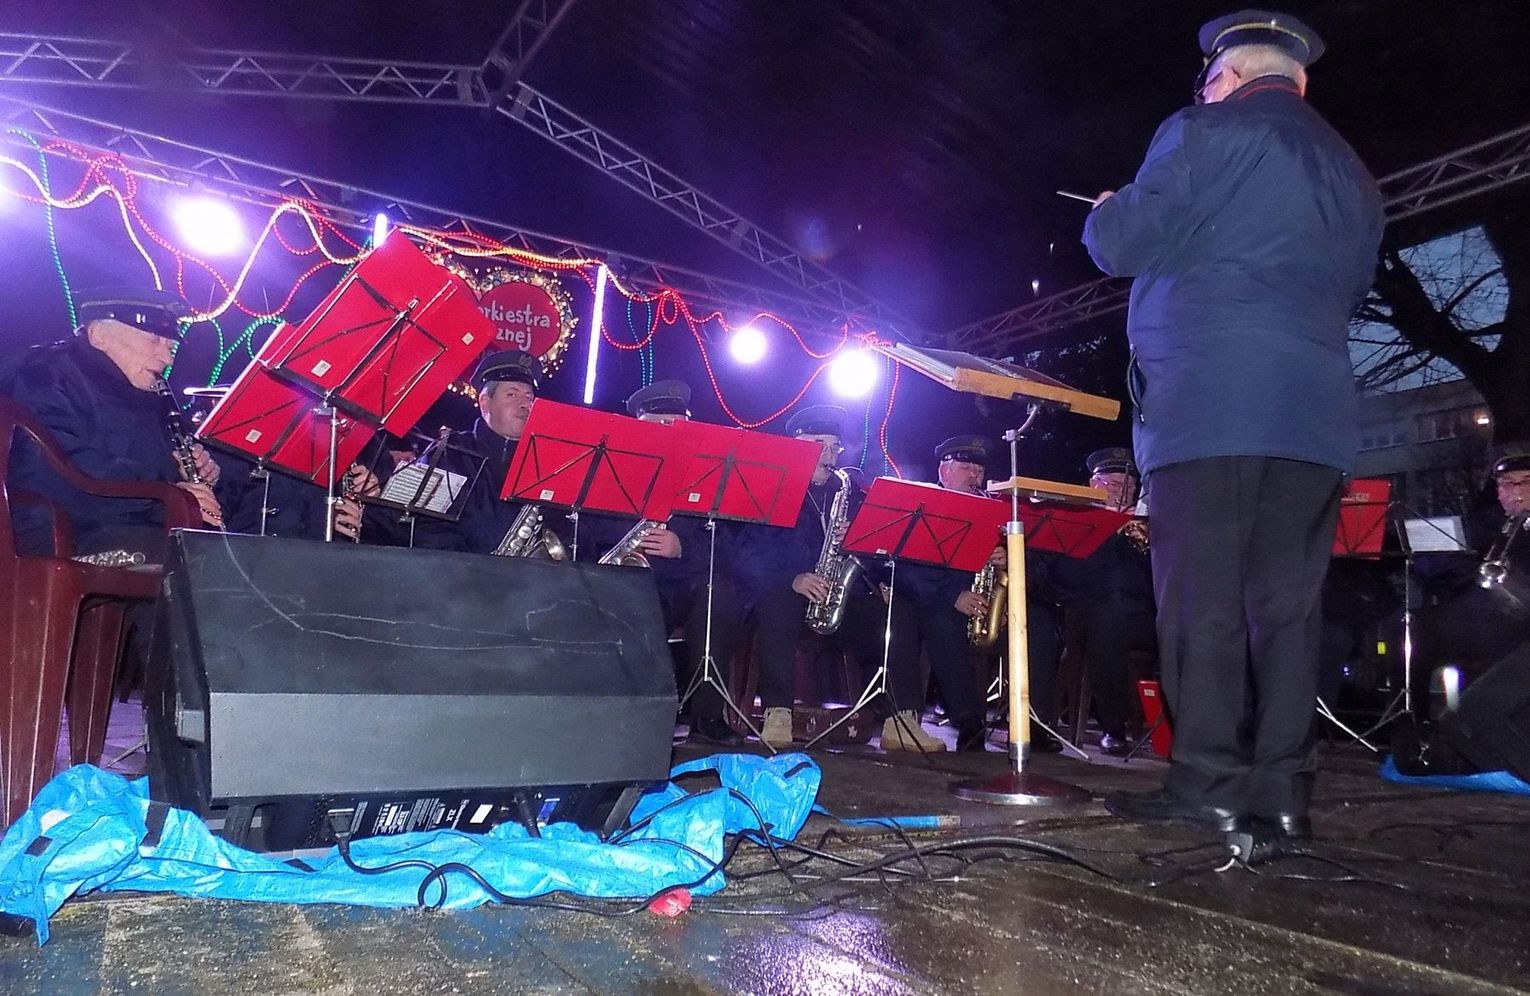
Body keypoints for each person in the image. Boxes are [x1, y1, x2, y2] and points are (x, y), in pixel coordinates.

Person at [1081, 10, 1385, 838]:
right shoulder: (1355, 174)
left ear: (1228, 77)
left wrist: (1109, 209)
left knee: (1201, 601)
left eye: (1209, 82)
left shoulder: (1200, 129)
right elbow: (1353, 287)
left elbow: (1122, 243)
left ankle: (1207, 782)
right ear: (1299, 81)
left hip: (1212, 402)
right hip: (1313, 410)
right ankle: (1283, 791)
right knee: (1289, 606)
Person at [730, 405, 944, 751]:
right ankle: (778, 713)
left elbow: (879, 550)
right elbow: (744, 552)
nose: (829, 456)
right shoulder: (769, 486)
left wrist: (866, 554)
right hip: (785, 594)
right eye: (820, 445)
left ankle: (902, 720)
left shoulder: (849, 492)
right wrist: (793, 578)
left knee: (899, 612)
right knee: (777, 604)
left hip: (840, 598)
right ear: (796, 444)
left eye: (834, 448)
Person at [0, 286, 224, 560]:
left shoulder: (151, 395)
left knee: (244, 551)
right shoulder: (44, 373)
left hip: (133, 525)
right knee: (203, 559)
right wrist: (167, 497)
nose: (166, 358)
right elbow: (56, 469)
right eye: (154, 340)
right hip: (62, 535)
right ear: (99, 336)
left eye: (170, 347)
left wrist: (203, 476)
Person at [580, 379, 746, 747]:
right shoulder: (611, 468)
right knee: (632, 598)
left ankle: (707, 715)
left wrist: (681, 546)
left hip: (683, 581)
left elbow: (724, 545)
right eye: (664, 425)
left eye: (681, 425)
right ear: (640, 427)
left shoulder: (706, 473)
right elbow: (589, 531)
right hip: (629, 582)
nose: (674, 433)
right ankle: (641, 716)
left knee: (720, 591)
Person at [894, 435, 1003, 752]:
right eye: (966, 467)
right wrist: (954, 595)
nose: (975, 476)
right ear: (943, 470)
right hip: (933, 601)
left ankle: (1031, 723)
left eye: (979, 470)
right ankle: (969, 720)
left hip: (976, 601)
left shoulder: (993, 509)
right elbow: (906, 570)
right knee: (942, 620)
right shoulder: (922, 506)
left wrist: (1006, 555)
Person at [402, 348, 557, 555]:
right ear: (485, 402)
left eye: (529, 397)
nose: (525, 405)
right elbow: (424, 529)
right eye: (512, 394)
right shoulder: (450, 452)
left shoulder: (546, 462)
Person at [1053, 448, 1157, 755]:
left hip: (1144, 614)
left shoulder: (1149, 523)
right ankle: (1113, 727)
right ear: (1092, 484)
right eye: (1113, 484)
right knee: (1108, 621)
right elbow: (1067, 576)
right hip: (1090, 615)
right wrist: (1111, 533)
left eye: (1129, 486)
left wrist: (1151, 543)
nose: (1121, 491)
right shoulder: (1076, 521)